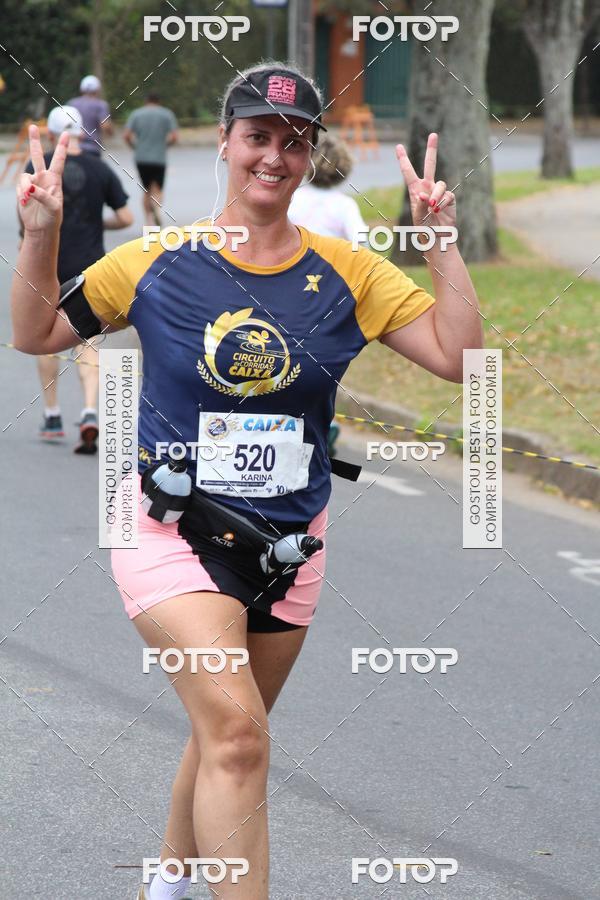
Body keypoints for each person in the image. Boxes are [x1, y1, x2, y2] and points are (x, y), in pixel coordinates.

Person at [11, 62, 483, 900]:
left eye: (295, 141)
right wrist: (40, 233)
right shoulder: (155, 261)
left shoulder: (350, 273)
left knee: (226, 728)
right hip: (167, 531)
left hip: (290, 547)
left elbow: (460, 360)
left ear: (310, 157)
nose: (275, 156)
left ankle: (168, 881)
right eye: (258, 136)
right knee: (238, 734)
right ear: (226, 144)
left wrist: (438, 240)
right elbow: (36, 332)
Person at [19, 104, 133, 451]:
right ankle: (88, 411)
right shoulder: (100, 168)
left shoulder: (35, 168)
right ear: (83, 130)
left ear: (50, 133)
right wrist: (99, 224)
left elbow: (27, 227)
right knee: (89, 341)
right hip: (90, 267)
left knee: (43, 335)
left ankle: (52, 414)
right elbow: (126, 217)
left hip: (48, 264)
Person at [288, 133, 370, 455]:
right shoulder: (344, 207)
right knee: (323, 363)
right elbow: (361, 247)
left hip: (287, 288)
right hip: (326, 297)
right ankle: (324, 421)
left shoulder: (292, 199)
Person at [123, 92, 178, 226]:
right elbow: (174, 136)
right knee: (158, 188)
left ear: (146, 101)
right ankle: (156, 207)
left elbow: (126, 136)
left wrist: (134, 147)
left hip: (141, 158)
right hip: (159, 158)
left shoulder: (136, 114)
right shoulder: (166, 114)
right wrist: (165, 146)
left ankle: (148, 222)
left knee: (146, 189)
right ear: (159, 101)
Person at [68, 75, 113, 155]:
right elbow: (105, 126)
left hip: (73, 147)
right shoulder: (100, 105)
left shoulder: (72, 103)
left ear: (82, 89)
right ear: (97, 89)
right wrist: (110, 133)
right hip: (92, 148)